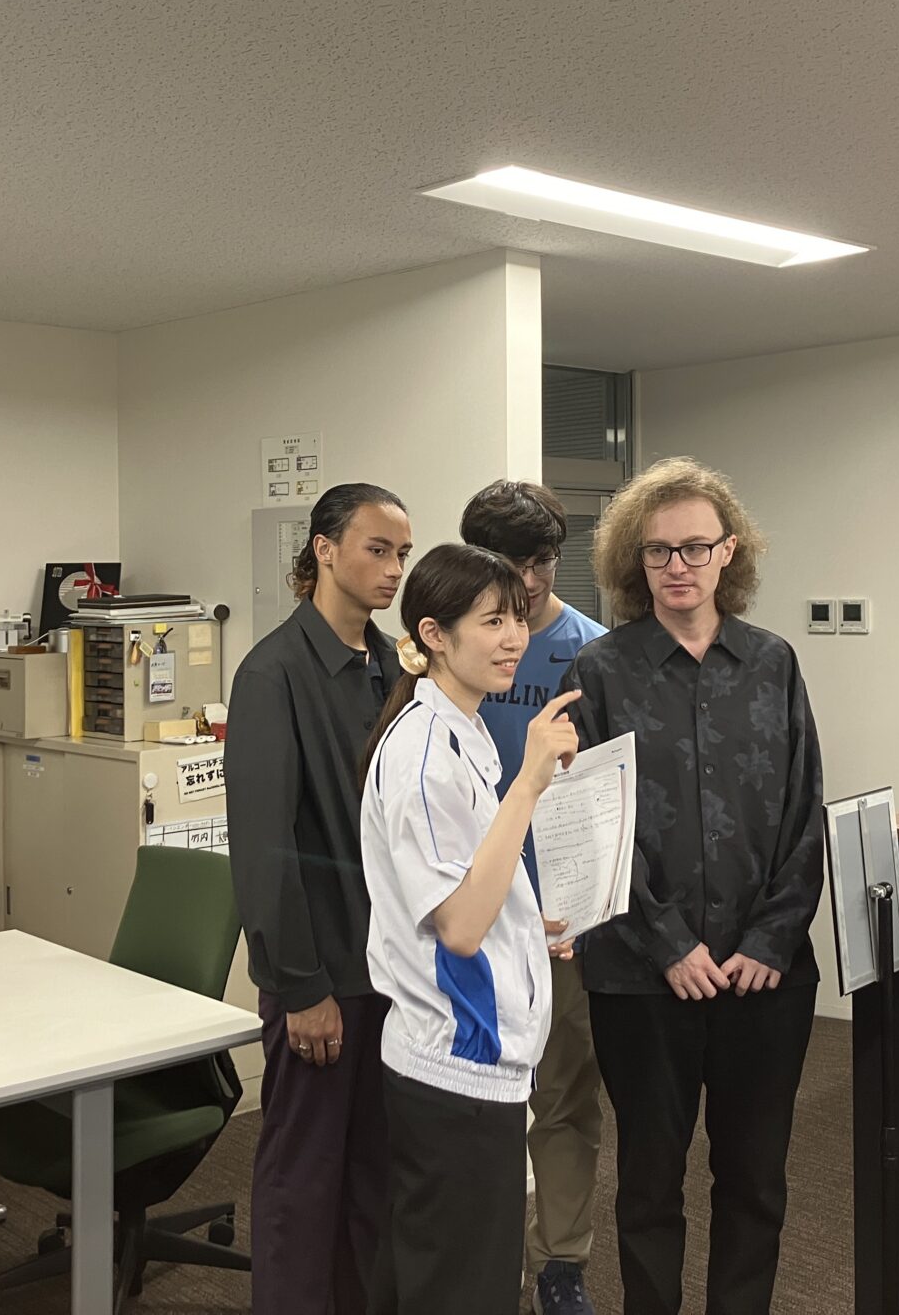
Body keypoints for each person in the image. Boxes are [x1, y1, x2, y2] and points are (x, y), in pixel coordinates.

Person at [558, 457, 825, 1315]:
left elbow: (805, 816)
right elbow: (592, 827)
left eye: (695, 548)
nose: (677, 566)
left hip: (762, 978)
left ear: (728, 552)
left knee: (755, 1180)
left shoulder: (774, 663)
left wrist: (770, 940)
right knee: (647, 1183)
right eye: (658, 551)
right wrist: (669, 944)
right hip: (643, 980)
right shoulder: (600, 671)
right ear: (634, 560)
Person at [358, 544, 577, 1313]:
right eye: (492, 622)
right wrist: (530, 783)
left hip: (468, 1065)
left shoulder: (461, 728)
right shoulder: (424, 753)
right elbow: (456, 925)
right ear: (435, 635)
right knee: (462, 1290)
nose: (514, 637)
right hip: (454, 1065)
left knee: (427, 1279)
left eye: (518, 618)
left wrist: (526, 924)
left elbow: (472, 881)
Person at [224, 482, 413, 1315]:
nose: (394, 568)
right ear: (324, 550)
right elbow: (263, 849)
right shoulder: (273, 673)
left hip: (393, 973)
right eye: (378, 549)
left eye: (402, 553)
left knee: (376, 1173)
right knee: (304, 1177)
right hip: (323, 975)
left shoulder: (394, 666)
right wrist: (301, 987)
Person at [459, 480, 609, 1315]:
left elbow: (608, 796)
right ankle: (481, 1262)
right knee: (471, 1100)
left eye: (543, 561)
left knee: (562, 1099)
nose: (528, 582)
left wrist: (584, 905)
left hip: (559, 924)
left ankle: (560, 1263)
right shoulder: (453, 648)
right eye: (509, 565)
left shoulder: (591, 654)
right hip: (467, 917)